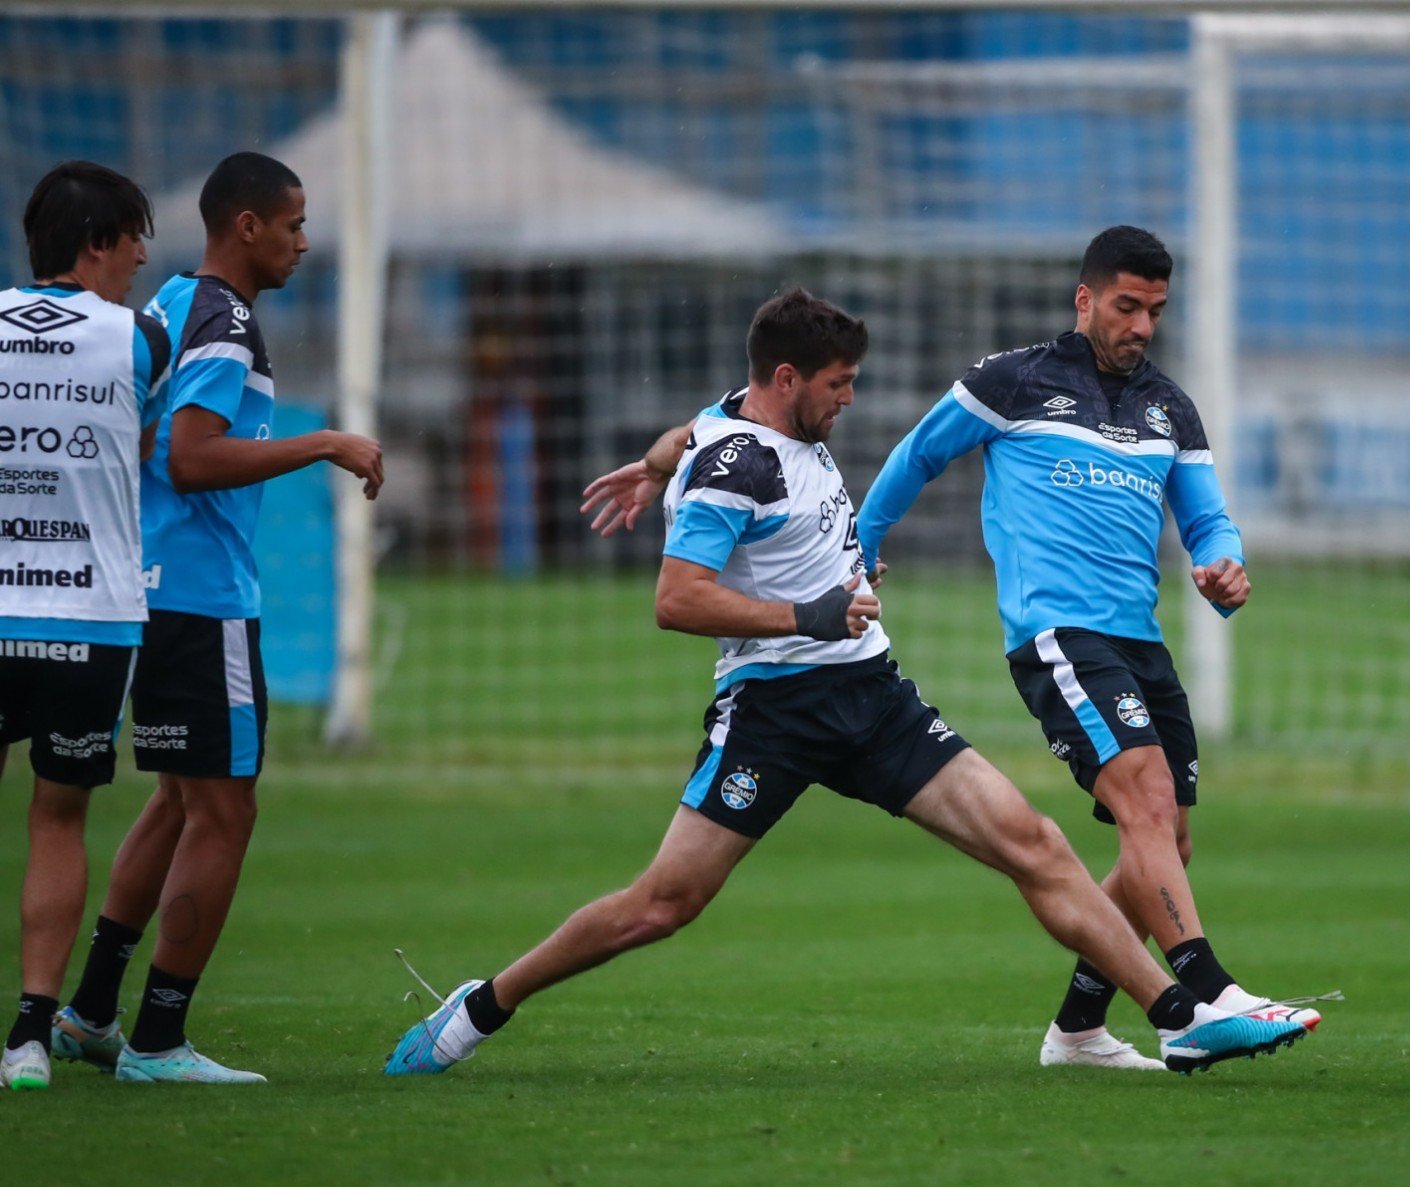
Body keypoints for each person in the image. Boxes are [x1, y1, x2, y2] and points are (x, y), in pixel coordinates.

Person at [385, 288, 1306, 1079]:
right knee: (662, 904)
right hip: (775, 712)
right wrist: (808, 612)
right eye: (838, 385)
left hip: (872, 695)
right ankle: (484, 1005)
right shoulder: (733, 465)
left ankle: (1177, 1016)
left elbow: (695, 429)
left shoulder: (737, 423)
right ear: (787, 380)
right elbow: (677, 598)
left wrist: (653, 462)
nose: (849, 400)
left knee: (1034, 842)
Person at [853, 225, 1319, 1070]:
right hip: (1059, 634)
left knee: (1165, 842)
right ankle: (1206, 993)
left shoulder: (1170, 406)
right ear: (1086, 299)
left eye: (1156, 311)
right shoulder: (1013, 380)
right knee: (1142, 798)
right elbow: (916, 456)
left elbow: (1206, 517)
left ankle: (1077, 1030)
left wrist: (1226, 564)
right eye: (1127, 306)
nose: (1142, 325)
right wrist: (857, 548)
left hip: (1140, 640)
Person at [48, 151, 382, 1084]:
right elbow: (191, 456)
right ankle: (158, 1041)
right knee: (226, 810)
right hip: (201, 594)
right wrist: (324, 441)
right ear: (247, 226)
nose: (303, 243)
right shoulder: (225, 321)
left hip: (148, 586)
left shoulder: (167, 309)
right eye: (294, 224)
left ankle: (89, 1010)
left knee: (179, 797)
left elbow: (154, 436)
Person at [0, 162, 169, 1092]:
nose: (144, 254)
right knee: (58, 816)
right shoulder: (139, 337)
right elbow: (141, 446)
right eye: (135, 236)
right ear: (98, 241)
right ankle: (30, 1035)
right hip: (91, 615)